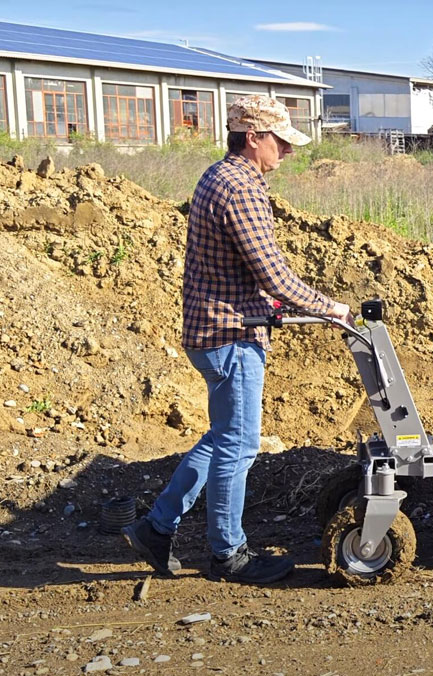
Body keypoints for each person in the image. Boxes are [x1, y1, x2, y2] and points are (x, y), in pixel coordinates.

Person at [123, 95, 352, 584]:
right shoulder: (240, 188)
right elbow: (273, 273)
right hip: (229, 334)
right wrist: (330, 306)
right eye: (281, 141)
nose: (287, 152)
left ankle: (157, 527)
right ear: (253, 137)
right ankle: (229, 554)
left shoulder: (217, 176)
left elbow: (235, 268)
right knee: (240, 445)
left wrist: (273, 305)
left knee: (223, 436)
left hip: (214, 326)